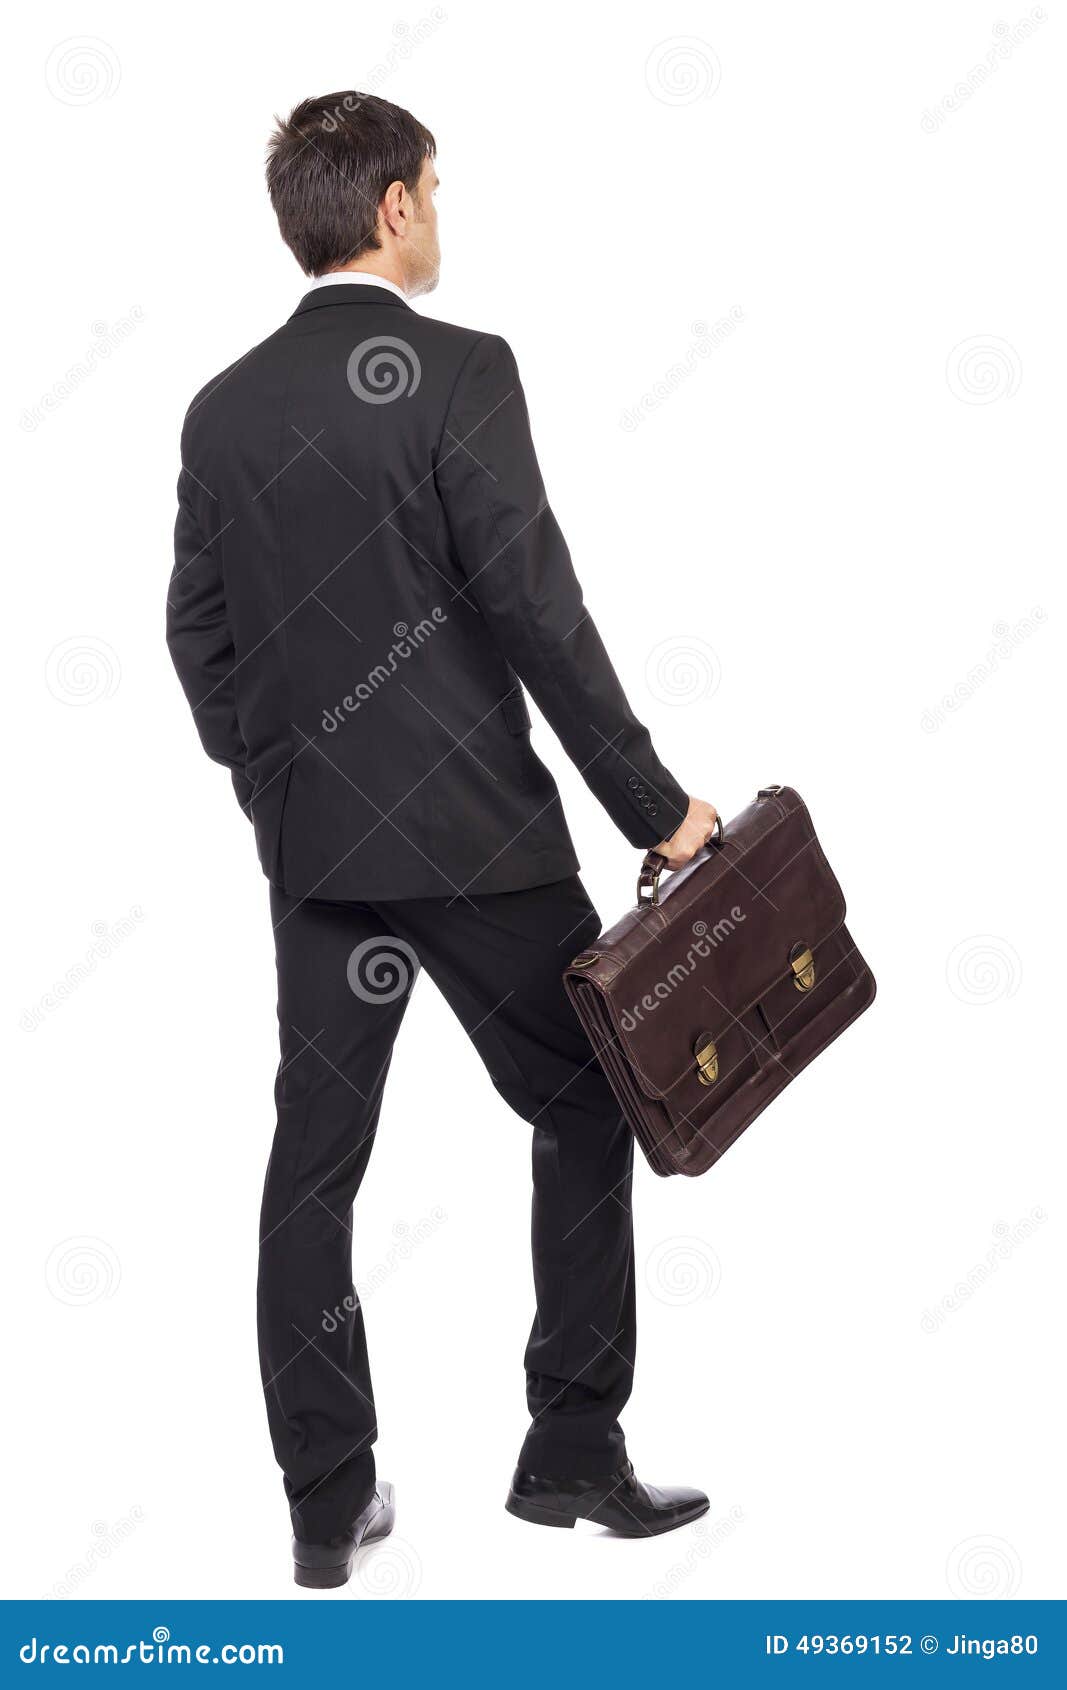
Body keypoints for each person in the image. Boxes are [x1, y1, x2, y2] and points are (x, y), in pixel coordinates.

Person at [167, 90, 718, 1587]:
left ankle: (326, 1498)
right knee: (590, 1102)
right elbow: (539, 608)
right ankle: (570, 1451)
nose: (440, 214)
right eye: (437, 189)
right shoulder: (461, 373)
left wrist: (282, 782)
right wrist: (656, 806)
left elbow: (198, 635)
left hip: (322, 860)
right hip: (487, 845)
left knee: (314, 1166)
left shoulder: (222, 408)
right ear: (397, 206)